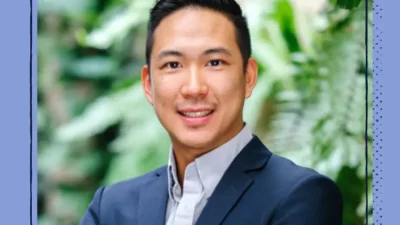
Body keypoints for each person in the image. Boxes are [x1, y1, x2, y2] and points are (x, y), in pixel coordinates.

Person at [79, 0, 343, 224]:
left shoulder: (301, 196)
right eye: (173, 64)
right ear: (148, 85)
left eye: (215, 62)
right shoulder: (110, 208)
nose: (194, 88)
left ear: (248, 76)